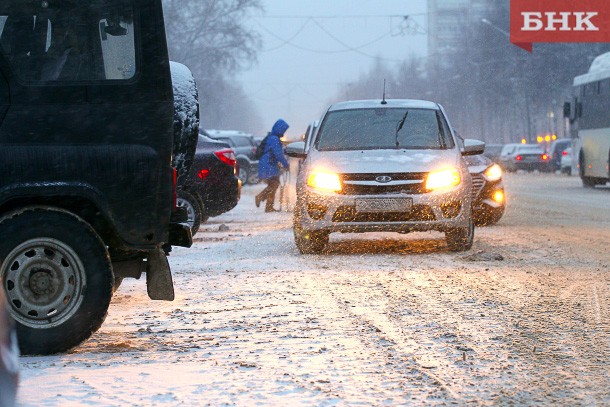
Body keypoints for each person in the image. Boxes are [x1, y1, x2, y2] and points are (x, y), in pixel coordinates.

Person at [255, 119, 290, 212]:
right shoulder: (274, 139)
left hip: (268, 164)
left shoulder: (272, 137)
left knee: (274, 184)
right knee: (274, 184)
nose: (284, 132)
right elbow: (278, 154)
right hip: (268, 164)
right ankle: (259, 197)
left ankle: (269, 207)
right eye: (283, 130)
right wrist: (286, 164)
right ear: (280, 129)